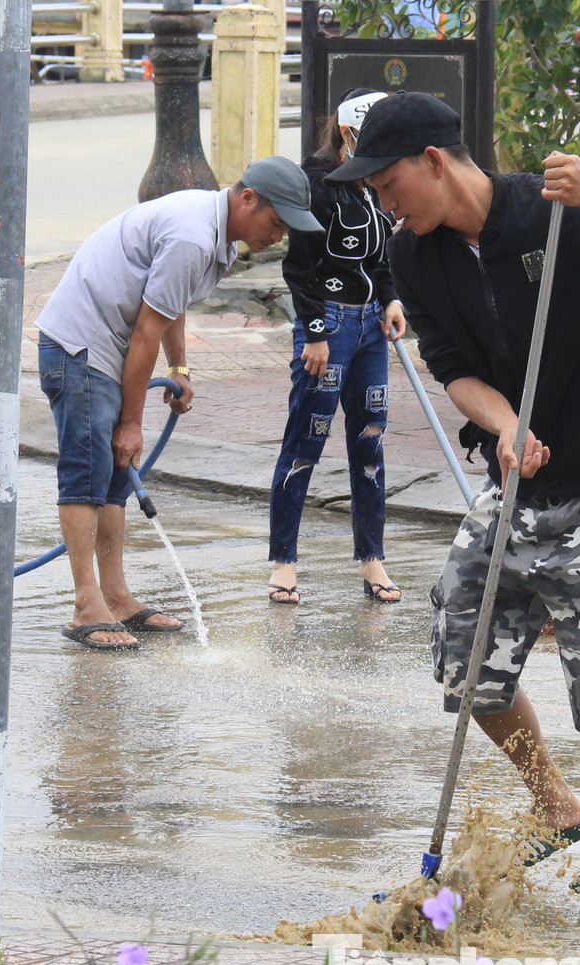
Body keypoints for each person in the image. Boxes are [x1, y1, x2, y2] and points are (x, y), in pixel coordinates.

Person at [326, 92, 580, 914]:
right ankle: (555, 802)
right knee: (462, 645)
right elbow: (450, 364)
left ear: (433, 160)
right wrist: (504, 422)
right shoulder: (414, 256)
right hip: (514, 480)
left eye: (386, 183)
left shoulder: (550, 211)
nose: (382, 202)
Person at [36, 157, 323, 650]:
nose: (277, 237)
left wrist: (181, 368)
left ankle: (116, 596)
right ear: (247, 199)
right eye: (276, 223)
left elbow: (172, 303)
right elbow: (147, 329)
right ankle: (88, 602)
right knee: (88, 472)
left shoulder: (214, 236)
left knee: (114, 478)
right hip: (82, 348)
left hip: (108, 346)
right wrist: (131, 421)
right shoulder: (193, 235)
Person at [266, 89, 406, 605]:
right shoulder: (317, 184)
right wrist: (318, 332)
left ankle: (372, 559)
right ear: (348, 134)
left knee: (369, 438)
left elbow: (381, 257)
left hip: (372, 326)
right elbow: (298, 269)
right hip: (328, 326)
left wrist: (390, 300)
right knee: (306, 438)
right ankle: (284, 561)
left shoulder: (374, 185)